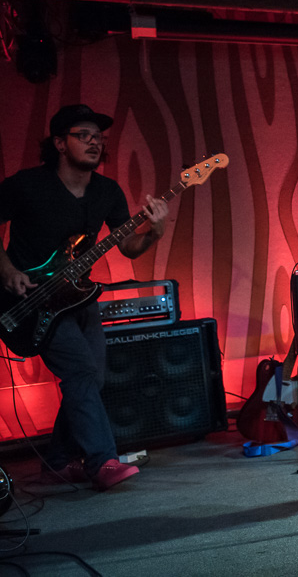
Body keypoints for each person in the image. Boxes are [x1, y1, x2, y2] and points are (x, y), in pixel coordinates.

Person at [0, 104, 169, 490]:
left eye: (100, 138)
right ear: (59, 143)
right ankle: (102, 461)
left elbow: (128, 246)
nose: (95, 143)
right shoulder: (26, 185)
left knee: (92, 377)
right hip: (29, 299)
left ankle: (59, 461)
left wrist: (155, 231)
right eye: (84, 135)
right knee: (80, 372)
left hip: (78, 297)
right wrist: (8, 272)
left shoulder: (107, 191)